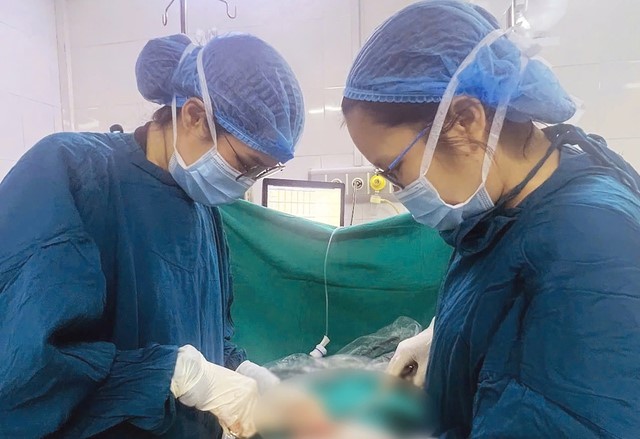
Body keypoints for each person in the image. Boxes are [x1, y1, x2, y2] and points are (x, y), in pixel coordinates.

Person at [341, 1, 640, 437]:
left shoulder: (590, 246)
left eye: (395, 170)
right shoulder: (509, 208)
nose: (399, 191)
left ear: (464, 121)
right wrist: (450, 341)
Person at [0, 32, 304, 438]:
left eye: (261, 170)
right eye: (246, 163)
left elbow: (208, 336)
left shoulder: (202, 207)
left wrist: (241, 370)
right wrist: (171, 374)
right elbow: (24, 370)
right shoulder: (70, 174)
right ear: (194, 116)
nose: (246, 180)